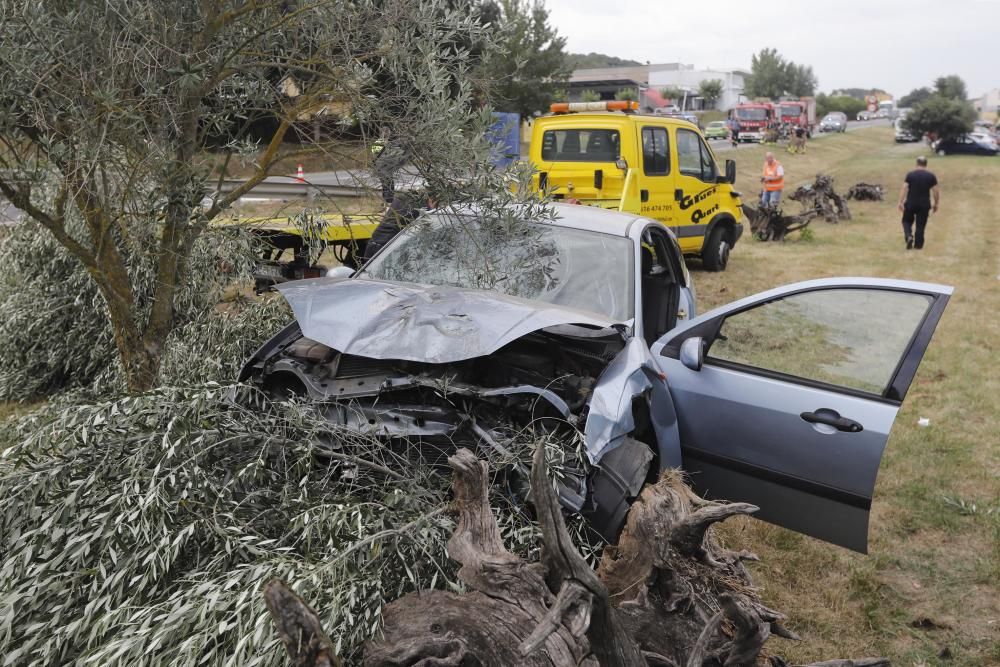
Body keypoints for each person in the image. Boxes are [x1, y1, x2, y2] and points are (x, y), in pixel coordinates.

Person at [359, 190, 433, 264]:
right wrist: (430, 208)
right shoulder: (419, 207)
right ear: (430, 199)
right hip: (385, 251)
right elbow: (428, 219)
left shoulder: (401, 199)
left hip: (372, 246)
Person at [897, 156, 939, 250]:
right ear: (926, 164)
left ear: (917, 163)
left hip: (911, 202)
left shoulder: (910, 175)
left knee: (906, 221)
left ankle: (909, 236)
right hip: (924, 204)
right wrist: (936, 204)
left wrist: (900, 202)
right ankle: (918, 245)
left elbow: (904, 188)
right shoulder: (931, 176)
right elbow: (935, 191)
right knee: (921, 224)